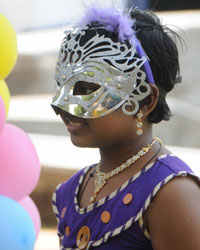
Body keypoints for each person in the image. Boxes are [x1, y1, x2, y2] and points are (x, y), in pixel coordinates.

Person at [51, 6, 200, 250]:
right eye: (60, 84)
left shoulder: (171, 193)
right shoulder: (70, 191)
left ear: (145, 100)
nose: (59, 104)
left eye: (87, 89)